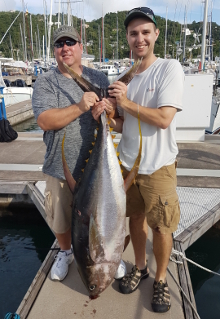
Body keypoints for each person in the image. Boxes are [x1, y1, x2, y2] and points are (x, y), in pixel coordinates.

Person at [107, 7, 184, 313]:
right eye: (133, 33)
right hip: (127, 167)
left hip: (159, 167)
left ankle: (161, 279)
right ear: (127, 38)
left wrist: (125, 102)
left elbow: (164, 119)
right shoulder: (125, 78)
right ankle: (140, 267)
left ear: (155, 34)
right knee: (134, 221)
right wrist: (110, 116)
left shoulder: (169, 68)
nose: (139, 38)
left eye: (144, 32)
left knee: (162, 228)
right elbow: (125, 124)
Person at [32, 25, 120, 282]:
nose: (65, 48)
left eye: (71, 42)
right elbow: (45, 121)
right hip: (61, 168)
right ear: (55, 51)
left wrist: (107, 110)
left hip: (98, 167)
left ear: (81, 47)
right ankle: (65, 252)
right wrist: (81, 106)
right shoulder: (46, 82)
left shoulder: (100, 79)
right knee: (61, 219)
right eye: (59, 44)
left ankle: (110, 254)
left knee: (104, 218)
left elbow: (113, 114)